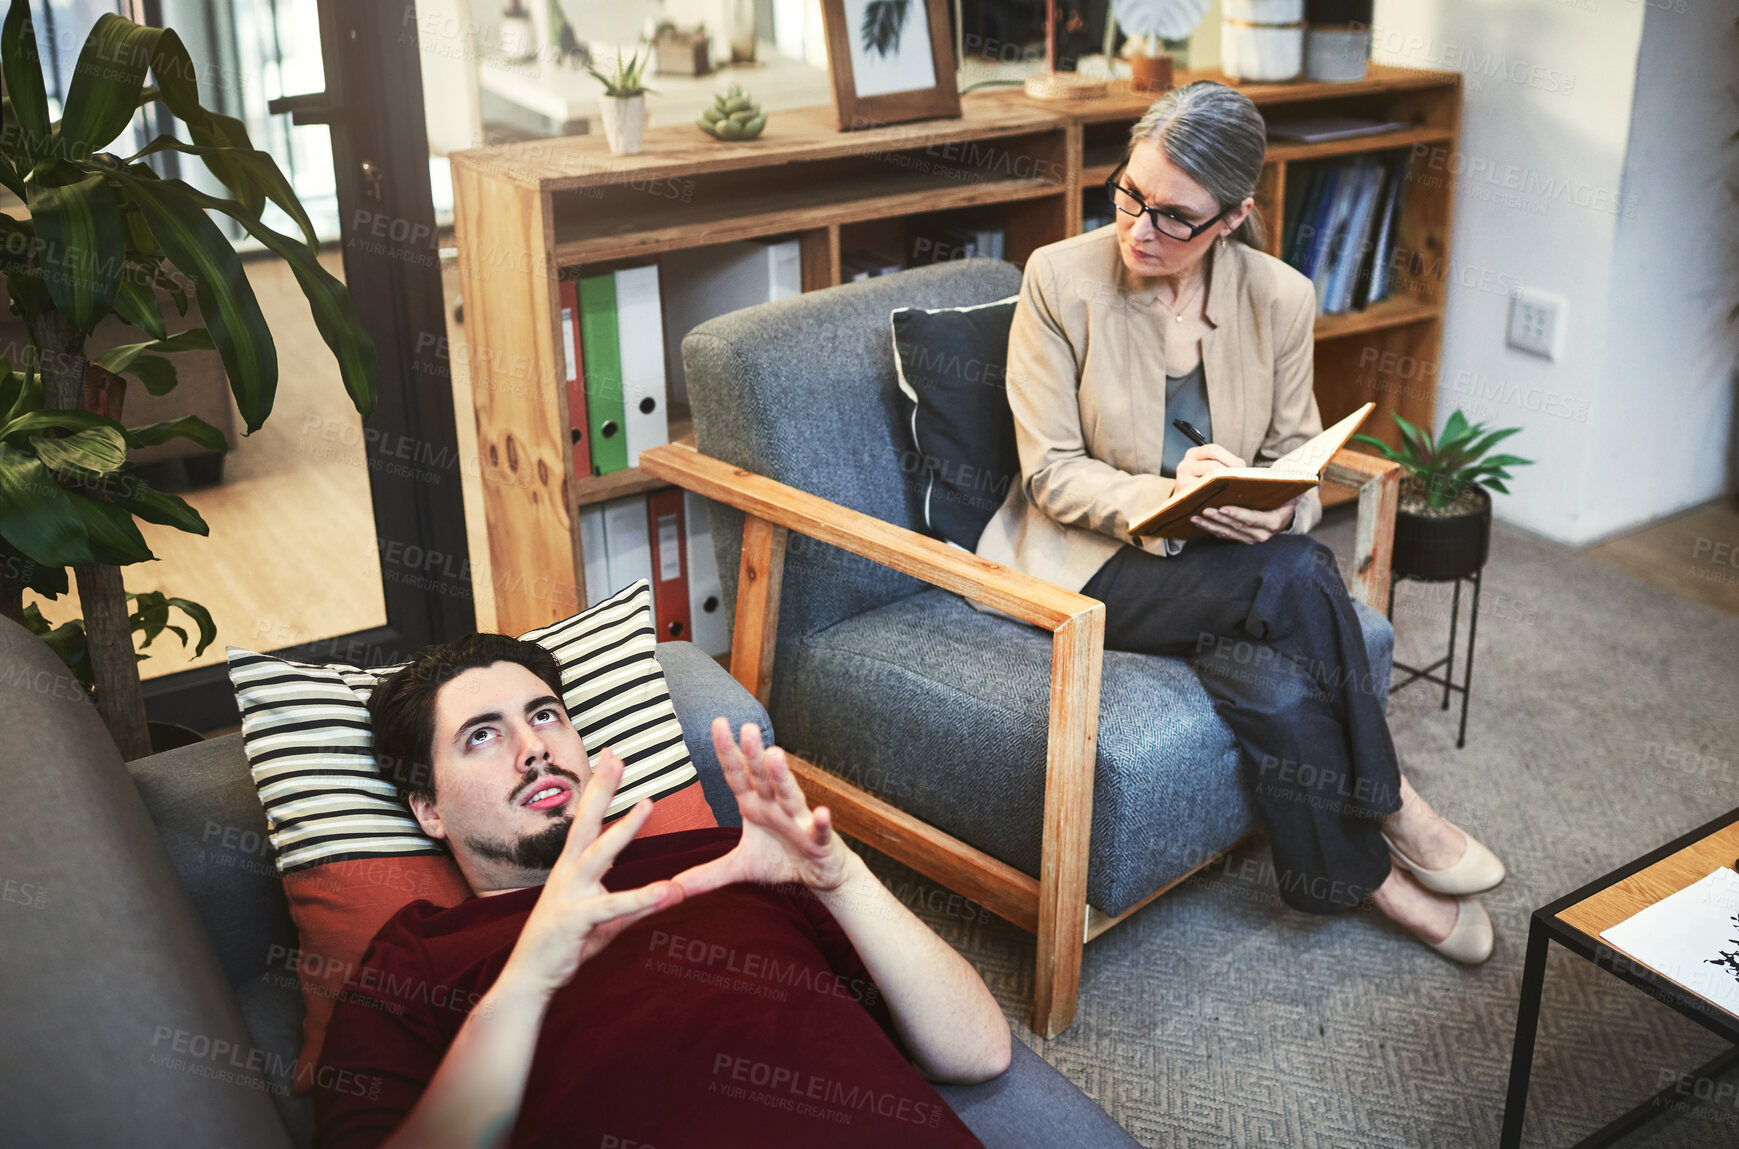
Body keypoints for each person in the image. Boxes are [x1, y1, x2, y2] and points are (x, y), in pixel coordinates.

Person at [973, 81, 1505, 962]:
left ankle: (1361, 878)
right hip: (1089, 565)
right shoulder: (1058, 280)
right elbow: (1050, 474)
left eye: (1176, 217)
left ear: (1232, 218)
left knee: (1277, 677)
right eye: (1129, 194)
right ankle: (1392, 800)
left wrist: (1279, 504)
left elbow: (1301, 456)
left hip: (1228, 571)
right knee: (1296, 573)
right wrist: (1171, 493)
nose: (1140, 227)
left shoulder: (1279, 297)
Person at [312, 633, 1009, 1148]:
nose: (534, 748)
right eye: (482, 735)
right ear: (428, 809)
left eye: (546, 715)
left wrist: (842, 879)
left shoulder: (732, 858)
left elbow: (979, 1052)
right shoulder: (419, 954)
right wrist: (526, 981)